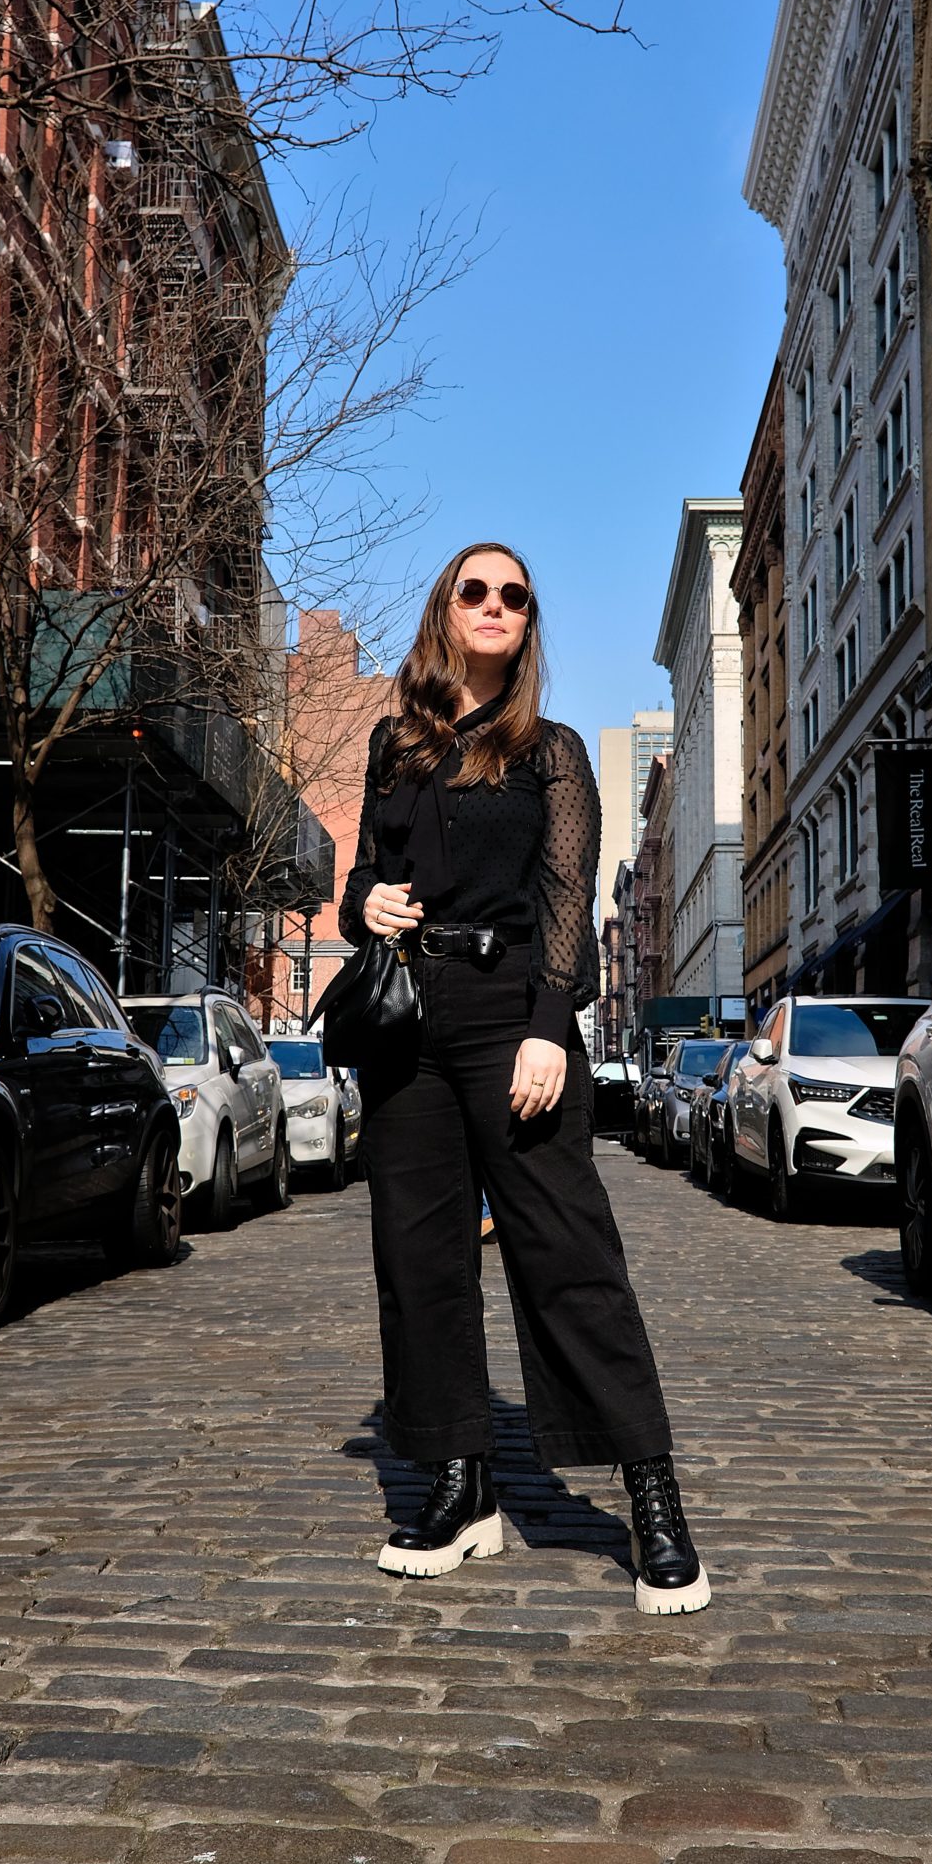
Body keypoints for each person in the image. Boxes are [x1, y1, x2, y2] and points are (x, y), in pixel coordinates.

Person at [338, 541, 709, 1616]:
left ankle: (650, 1494)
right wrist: (368, 901)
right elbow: (366, 864)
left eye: (514, 595)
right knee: (421, 1261)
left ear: (525, 622)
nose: (495, 605)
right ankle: (459, 1485)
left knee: (568, 1255)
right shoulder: (393, 746)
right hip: (410, 1023)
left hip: (513, 1016)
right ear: (444, 611)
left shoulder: (548, 754)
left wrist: (553, 1026)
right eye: (476, 590)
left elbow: (564, 897)